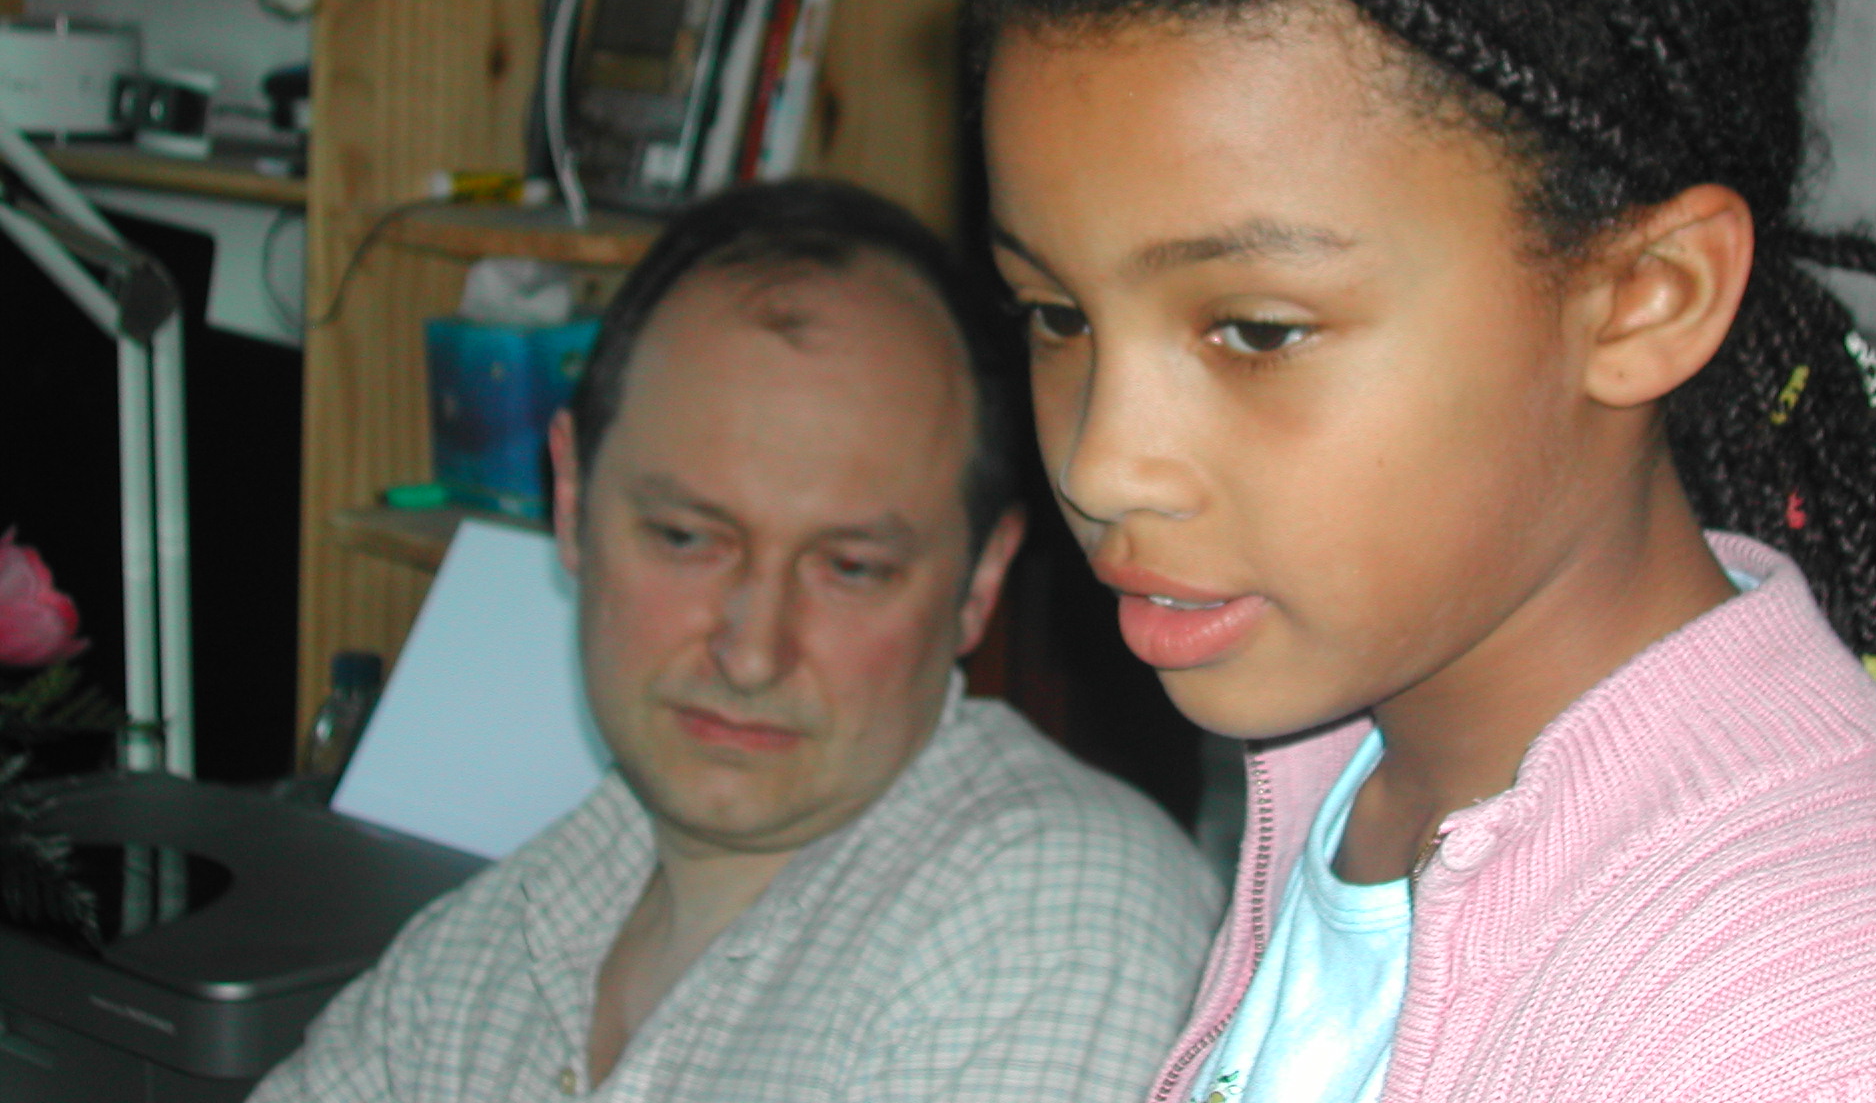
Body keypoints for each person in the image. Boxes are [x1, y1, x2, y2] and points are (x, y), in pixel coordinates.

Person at [963, 0, 1876, 1103]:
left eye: (1258, 331)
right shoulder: (1362, 767)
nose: (1105, 463)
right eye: (1054, 314)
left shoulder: (1819, 1042)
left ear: (1645, 299)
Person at [251, 179, 1222, 1103]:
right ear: (572, 500)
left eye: (851, 568)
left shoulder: (1054, 921)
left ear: (978, 582)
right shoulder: (489, 943)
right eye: (686, 539)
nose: (752, 653)